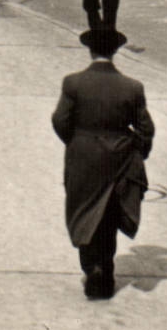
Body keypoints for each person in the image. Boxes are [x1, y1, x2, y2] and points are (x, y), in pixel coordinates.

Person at [52, 27, 155, 300]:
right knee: (108, 215)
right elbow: (146, 129)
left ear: (90, 50)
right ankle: (106, 270)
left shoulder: (73, 83)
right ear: (115, 51)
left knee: (84, 212)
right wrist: (136, 152)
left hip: (83, 156)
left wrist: (77, 142)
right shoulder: (132, 87)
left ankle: (91, 268)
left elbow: (60, 120)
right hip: (119, 158)